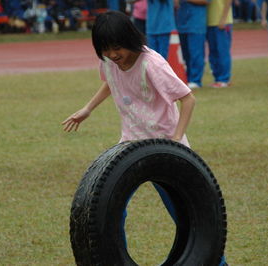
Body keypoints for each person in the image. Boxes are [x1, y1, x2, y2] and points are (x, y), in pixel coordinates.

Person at [62, 7, 195, 254]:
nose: (113, 54)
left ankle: (216, 261)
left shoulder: (151, 64)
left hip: (164, 148)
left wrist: (176, 140)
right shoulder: (110, 62)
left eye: (117, 48)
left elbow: (187, 99)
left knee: (187, 214)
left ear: (130, 39)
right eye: (105, 49)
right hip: (130, 146)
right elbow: (110, 83)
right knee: (110, 206)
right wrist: (87, 109)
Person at [176, 0, 210, 89]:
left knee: (196, 53)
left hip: (196, 23)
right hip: (182, 23)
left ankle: (196, 80)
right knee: (185, 54)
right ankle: (188, 78)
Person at [206, 0, 233, 88]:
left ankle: (224, 79)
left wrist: (223, 19)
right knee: (213, 52)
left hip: (222, 22)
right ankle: (217, 79)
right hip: (210, 22)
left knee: (222, 51)